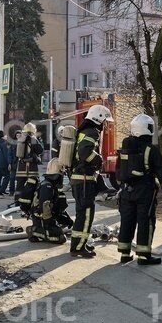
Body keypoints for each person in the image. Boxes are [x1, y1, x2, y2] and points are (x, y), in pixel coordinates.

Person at [116, 114, 162, 265]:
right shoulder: (151, 149)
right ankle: (143, 255)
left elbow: (118, 170)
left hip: (127, 191)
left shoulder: (125, 148)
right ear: (149, 129)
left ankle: (125, 254)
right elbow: (161, 171)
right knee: (145, 221)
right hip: (145, 191)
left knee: (127, 220)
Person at [70, 105, 114, 257]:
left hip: (79, 178)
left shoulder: (84, 130)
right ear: (99, 118)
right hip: (84, 179)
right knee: (86, 214)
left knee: (82, 214)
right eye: (104, 121)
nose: (105, 124)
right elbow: (84, 151)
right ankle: (79, 247)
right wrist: (97, 159)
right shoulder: (92, 131)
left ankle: (77, 245)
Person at [25, 158, 73, 243]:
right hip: (42, 218)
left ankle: (45, 230)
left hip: (49, 217)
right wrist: (49, 224)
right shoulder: (47, 187)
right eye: (62, 174)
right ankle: (34, 230)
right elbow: (44, 206)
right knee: (60, 238)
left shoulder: (53, 186)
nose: (63, 177)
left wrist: (68, 220)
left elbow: (59, 208)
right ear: (58, 175)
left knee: (59, 233)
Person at [15, 122, 44, 200]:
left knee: (19, 186)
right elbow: (40, 150)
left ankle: (17, 202)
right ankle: (32, 201)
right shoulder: (33, 139)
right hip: (31, 167)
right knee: (34, 184)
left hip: (21, 167)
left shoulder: (20, 138)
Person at [8, 129, 22, 196]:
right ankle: (11, 191)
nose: (18, 136)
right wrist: (9, 163)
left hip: (21, 163)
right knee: (12, 178)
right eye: (17, 135)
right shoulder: (13, 144)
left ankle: (19, 191)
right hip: (14, 163)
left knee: (20, 179)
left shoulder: (23, 143)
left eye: (19, 135)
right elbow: (10, 154)